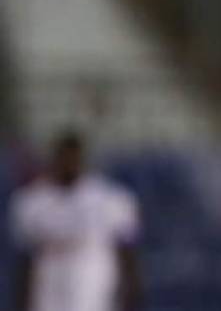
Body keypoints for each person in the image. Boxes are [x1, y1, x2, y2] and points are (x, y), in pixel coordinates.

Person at [9, 131, 142, 311]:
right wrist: (21, 300)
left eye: (73, 156)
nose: (68, 163)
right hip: (49, 285)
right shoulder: (31, 200)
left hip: (93, 281)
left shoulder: (109, 198)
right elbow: (26, 259)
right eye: (63, 156)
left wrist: (131, 294)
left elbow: (126, 251)